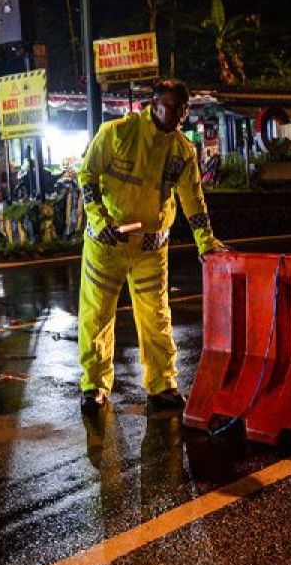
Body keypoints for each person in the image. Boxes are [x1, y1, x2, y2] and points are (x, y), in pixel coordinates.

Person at [76, 78, 228, 413]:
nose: (179, 114)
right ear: (154, 102)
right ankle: (94, 385)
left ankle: (162, 385)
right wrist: (98, 219)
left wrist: (206, 242)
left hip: (150, 248)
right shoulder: (116, 133)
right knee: (97, 316)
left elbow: (194, 201)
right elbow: (86, 175)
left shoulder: (182, 150)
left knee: (156, 316)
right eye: (174, 105)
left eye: (184, 108)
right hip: (107, 246)